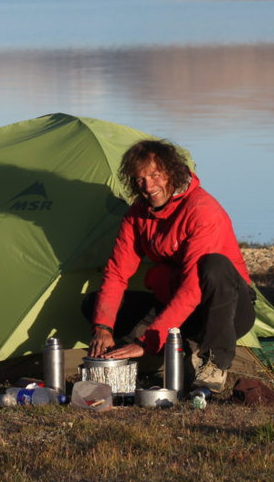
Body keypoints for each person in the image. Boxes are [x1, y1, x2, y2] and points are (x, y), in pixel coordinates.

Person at [86, 139, 257, 392]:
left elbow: (192, 288)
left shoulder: (202, 210)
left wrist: (147, 342)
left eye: (155, 175)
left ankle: (215, 361)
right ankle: (176, 345)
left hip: (226, 310)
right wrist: (102, 326)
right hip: (177, 304)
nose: (148, 186)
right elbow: (117, 273)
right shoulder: (138, 214)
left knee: (214, 265)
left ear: (172, 172)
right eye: (140, 179)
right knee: (90, 305)